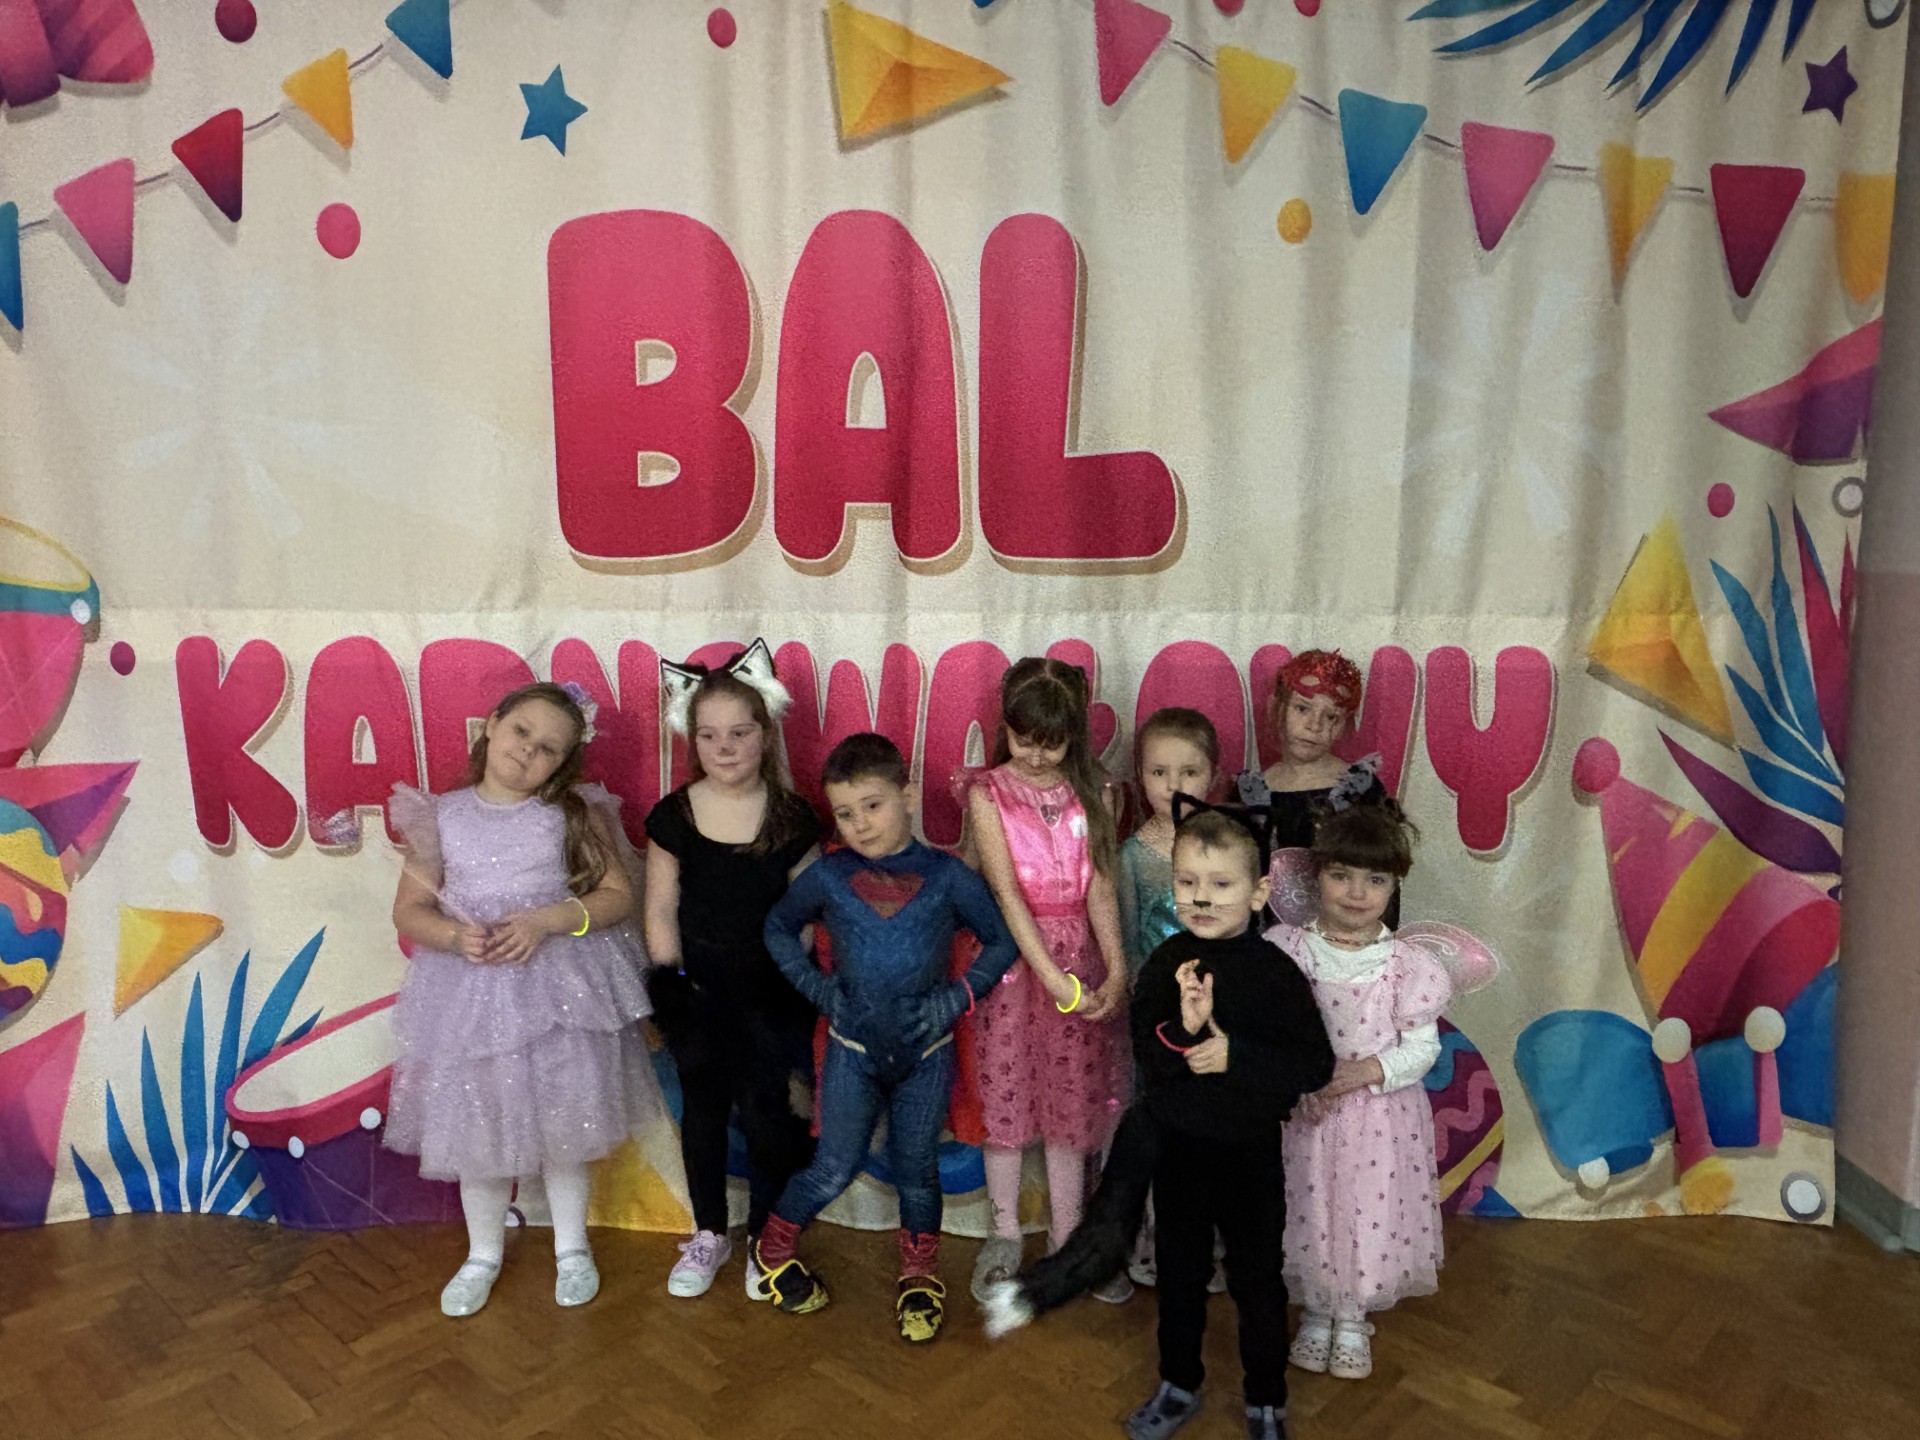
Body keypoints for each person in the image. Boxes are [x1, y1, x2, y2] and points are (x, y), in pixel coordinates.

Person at [984, 804, 1336, 1440]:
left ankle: (1266, 1399)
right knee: (1180, 1276)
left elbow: (1314, 1065)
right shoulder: (1167, 962)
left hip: (1250, 1156)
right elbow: (1150, 1054)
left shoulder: (1277, 972)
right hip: (1178, 1154)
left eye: (1221, 884)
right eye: (1187, 882)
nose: (1201, 897)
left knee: (1258, 1279)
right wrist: (1189, 1030)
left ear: (1258, 892)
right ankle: (1178, 1384)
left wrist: (1234, 1054)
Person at [385, 680, 662, 1317]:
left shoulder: (572, 813)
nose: (528, 752)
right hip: (471, 998)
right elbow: (409, 910)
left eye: (548, 749)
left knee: (566, 1123)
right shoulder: (442, 816)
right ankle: (482, 1254)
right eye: (521, 733)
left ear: (563, 762)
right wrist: (454, 937)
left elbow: (616, 897)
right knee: (475, 1128)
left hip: (558, 995)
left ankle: (573, 1249)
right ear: (491, 724)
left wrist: (549, 919)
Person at [752, 732, 1019, 1341]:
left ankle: (920, 1277)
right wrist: (819, 991)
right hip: (851, 1051)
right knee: (833, 1168)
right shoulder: (830, 875)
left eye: (872, 805)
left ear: (908, 794)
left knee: (916, 1168)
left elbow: (1002, 940)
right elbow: (777, 928)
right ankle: (771, 1249)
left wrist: (956, 998)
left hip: (927, 1053)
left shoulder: (948, 876)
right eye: (845, 813)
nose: (860, 824)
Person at [645, 642, 821, 1299]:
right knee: (703, 1114)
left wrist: (792, 980)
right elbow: (660, 909)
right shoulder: (675, 816)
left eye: (739, 733)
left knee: (770, 1115)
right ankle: (710, 1231)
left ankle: (764, 1239)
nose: (724, 747)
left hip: (771, 993)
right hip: (701, 995)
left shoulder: (791, 818)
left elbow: (808, 912)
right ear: (693, 739)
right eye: (710, 735)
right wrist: (673, 991)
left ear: (765, 734)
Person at [961, 656, 1131, 1304]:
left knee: (1071, 1102)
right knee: (1006, 1097)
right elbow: (1006, 892)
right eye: (1022, 738)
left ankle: (1069, 1238)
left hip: (1080, 960)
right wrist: (1050, 977)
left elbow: (1102, 887)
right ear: (1005, 727)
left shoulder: (1097, 791)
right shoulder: (988, 793)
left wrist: (1115, 966)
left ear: (1073, 736)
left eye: (1051, 742)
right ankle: (1004, 1232)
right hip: (1015, 963)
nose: (1034, 755)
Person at [1272, 802, 1447, 1381]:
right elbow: (1268, 1028)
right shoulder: (1287, 949)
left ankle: (1352, 1316)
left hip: (1376, 1120)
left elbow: (1421, 1048)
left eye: (1375, 879)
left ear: (1394, 885)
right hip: (1304, 1115)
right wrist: (1296, 1079)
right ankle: (1318, 1309)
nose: (1356, 892)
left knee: (1366, 1209)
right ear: (1317, 876)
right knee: (1308, 1204)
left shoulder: (1407, 966)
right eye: (1341, 874)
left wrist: (1365, 1070)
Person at [1115, 708, 1224, 1293]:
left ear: (1214, 774)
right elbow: (1129, 941)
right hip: (1159, 1021)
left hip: (1216, 1017)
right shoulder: (1133, 855)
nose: (1173, 785)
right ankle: (1155, 1239)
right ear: (1139, 775)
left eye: (1189, 772)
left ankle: (1204, 1240)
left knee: (1209, 1132)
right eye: (1159, 772)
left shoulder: (1227, 848)